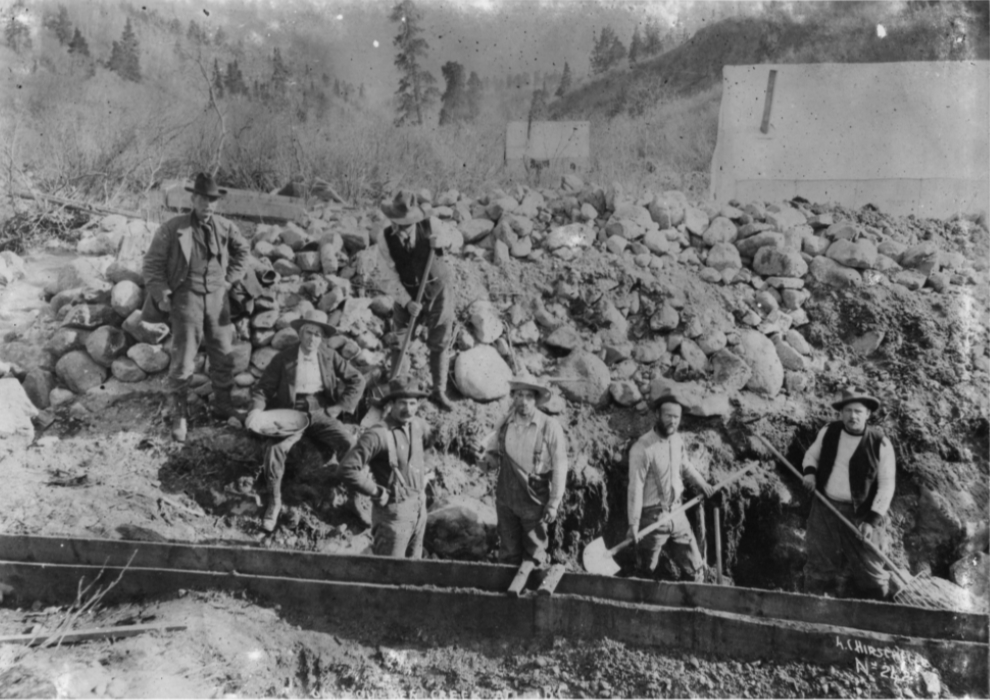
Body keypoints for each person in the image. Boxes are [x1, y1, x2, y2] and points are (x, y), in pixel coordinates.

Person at [142, 172, 250, 442]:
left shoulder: (225, 227)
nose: (208, 205)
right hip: (186, 297)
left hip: (218, 299)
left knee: (224, 352)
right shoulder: (172, 228)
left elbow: (243, 251)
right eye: (203, 199)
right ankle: (179, 413)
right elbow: (152, 265)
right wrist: (164, 294)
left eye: (213, 200)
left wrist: (229, 281)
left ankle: (222, 404)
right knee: (183, 357)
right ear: (193, 199)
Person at [245, 310, 366, 533]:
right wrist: (255, 412)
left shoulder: (329, 356)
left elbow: (357, 379)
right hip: (291, 412)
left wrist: (339, 407)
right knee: (275, 450)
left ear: (322, 338)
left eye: (318, 334)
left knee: (349, 442)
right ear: (300, 334)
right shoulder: (284, 358)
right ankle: (274, 503)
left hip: (321, 412)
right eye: (309, 333)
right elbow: (262, 389)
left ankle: (352, 497)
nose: (313, 339)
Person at [800, 386, 895, 600]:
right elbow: (811, 455)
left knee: (872, 572)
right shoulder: (829, 431)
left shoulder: (880, 443)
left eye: (858, 411)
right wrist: (810, 474)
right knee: (819, 566)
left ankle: (877, 614)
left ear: (868, 414)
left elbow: (887, 485)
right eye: (848, 411)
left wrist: (871, 520)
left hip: (862, 514)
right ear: (841, 413)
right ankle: (814, 611)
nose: (853, 416)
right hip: (825, 507)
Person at [338, 376, 435, 558]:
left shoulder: (419, 426)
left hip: (419, 510)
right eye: (402, 403)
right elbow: (347, 468)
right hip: (393, 516)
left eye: (413, 403)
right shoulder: (378, 434)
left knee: (415, 571)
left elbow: (430, 447)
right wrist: (375, 491)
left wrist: (426, 470)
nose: (408, 409)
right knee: (388, 573)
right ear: (391, 403)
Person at [480, 373, 569, 567]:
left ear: (536, 399)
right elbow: (492, 455)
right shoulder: (504, 423)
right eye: (519, 395)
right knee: (508, 551)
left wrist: (553, 503)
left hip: (534, 500)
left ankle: (533, 592)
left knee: (535, 553)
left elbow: (560, 466)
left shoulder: (550, 427)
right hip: (506, 499)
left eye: (528, 396)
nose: (523, 401)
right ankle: (506, 592)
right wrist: (486, 460)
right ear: (513, 397)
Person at [379, 190, 456, 412]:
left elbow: (453, 239)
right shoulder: (385, 238)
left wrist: (442, 240)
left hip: (438, 288)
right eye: (397, 222)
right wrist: (405, 301)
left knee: (440, 339)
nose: (400, 228)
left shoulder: (431, 224)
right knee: (400, 340)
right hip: (407, 292)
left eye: (406, 223)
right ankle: (398, 393)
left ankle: (438, 392)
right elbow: (386, 275)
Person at [627, 393, 714, 582]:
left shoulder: (677, 441)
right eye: (668, 416)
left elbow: (686, 466)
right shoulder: (642, 448)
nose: (673, 421)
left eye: (676, 417)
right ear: (657, 414)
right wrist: (633, 524)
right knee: (646, 573)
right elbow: (636, 487)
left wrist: (703, 484)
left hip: (677, 513)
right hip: (652, 519)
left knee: (696, 570)